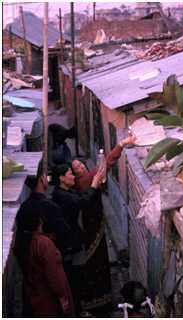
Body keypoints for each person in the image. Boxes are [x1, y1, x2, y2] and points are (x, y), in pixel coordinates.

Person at [71, 134, 136, 315]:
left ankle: (97, 300)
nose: (81, 167)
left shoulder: (82, 183)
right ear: (74, 174)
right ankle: (100, 301)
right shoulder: (86, 182)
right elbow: (107, 163)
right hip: (92, 228)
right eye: (76, 167)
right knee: (97, 263)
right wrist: (121, 144)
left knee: (96, 262)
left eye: (81, 164)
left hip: (92, 226)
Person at [51, 163, 104, 315]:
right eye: (70, 173)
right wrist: (94, 184)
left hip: (72, 240)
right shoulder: (61, 195)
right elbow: (83, 202)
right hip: (69, 244)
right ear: (61, 178)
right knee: (75, 277)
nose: (73, 176)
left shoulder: (66, 191)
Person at [13, 204, 75, 317]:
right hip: (48, 300)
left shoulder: (22, 242)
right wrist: (62, 296)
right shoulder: (43, 244)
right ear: (38, 221)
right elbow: (54, 275)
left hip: (33, 295)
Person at [16, 162, 72, 257]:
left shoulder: (23, 207)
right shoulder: (50, 207)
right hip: (53, 255)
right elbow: (65, 233)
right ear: (42, 179)